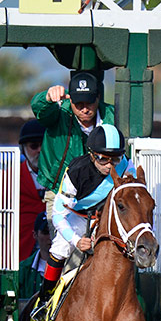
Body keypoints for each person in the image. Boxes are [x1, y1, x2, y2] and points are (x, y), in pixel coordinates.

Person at [32, 123, 135, 314]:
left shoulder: (127, 166)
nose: (110, 165)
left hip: (106, 216)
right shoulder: (76, 171)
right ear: (91, 154)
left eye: (115, 159)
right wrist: (76, 240)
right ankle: (44, 300)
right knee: (60, 248)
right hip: (77, 217)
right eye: (103, 159)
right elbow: (58, 215)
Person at [31, 71, 115, 230]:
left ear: (98, 98)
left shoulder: (113, 116)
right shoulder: (59, 111)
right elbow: (39, 109)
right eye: (79, 104)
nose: (84, 109)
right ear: (70, 99)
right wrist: (47, 97)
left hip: (102, 195)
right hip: (61, 194)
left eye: (89, 102)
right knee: (69, 250)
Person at [18, 120, 47, 260]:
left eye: (44, 145)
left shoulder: (63, 176)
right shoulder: (9, 177)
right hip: (21, 253)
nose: (39, 150)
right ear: (23, 149)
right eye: (34, 146)